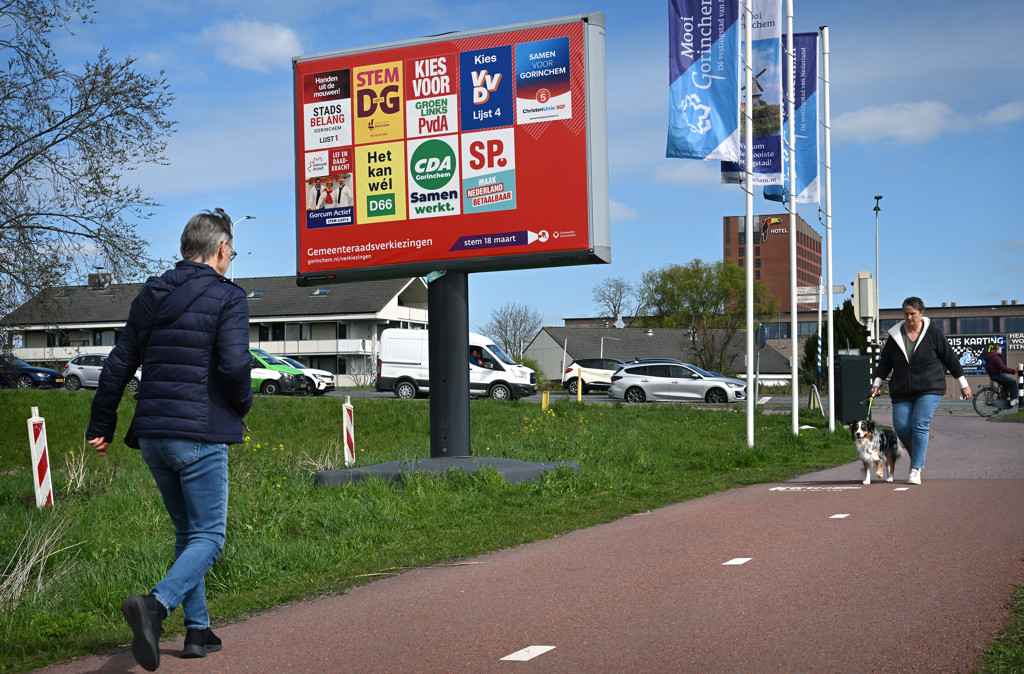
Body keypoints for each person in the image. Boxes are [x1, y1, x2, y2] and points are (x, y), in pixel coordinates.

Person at [86, 209, 253, 671]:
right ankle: (155, 608)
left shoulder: (151, 295)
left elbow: (119, 362)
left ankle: (198, 631)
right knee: (210, 536)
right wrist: (240, 407)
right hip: (198, 432)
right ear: (221, 250)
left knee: (187, 533)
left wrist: (101, 424)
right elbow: (236, 366)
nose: (230, 260)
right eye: (231, 253)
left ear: (184, 250)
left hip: (153, 435)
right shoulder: (228, 297)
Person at [871, 296, 970, 485]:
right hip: (902, 389)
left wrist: (963, 383)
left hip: (930, 387)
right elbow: (885, 363)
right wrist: (877, 382)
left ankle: (915, 468)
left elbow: (950, 358)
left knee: (919, 424)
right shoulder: (895, 335)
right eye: (906, 314)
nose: (909, 317)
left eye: (913, 314)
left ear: (921, 313)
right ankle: (917, 455)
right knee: (900, 427)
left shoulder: (933, 332)